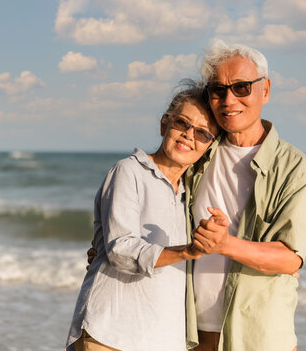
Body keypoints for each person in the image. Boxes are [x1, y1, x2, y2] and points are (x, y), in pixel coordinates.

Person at [65, 80, 222, 351]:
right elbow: (120, 249)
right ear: (164, 124)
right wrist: (187, 250)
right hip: (110, 333)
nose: (188, 135)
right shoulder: (128, 171)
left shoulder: (190, 195)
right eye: (182, 123)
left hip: (161, 339)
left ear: (209, 146)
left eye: (202, 133)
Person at [185, 39, 306, 351]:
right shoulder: (196, 152)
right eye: (218, 90)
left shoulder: (293, 166)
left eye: (242, 87)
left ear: (265, 90)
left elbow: (290, 259)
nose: (229, 99)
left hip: (257, 336)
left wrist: (225, 244)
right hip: (190, 332)